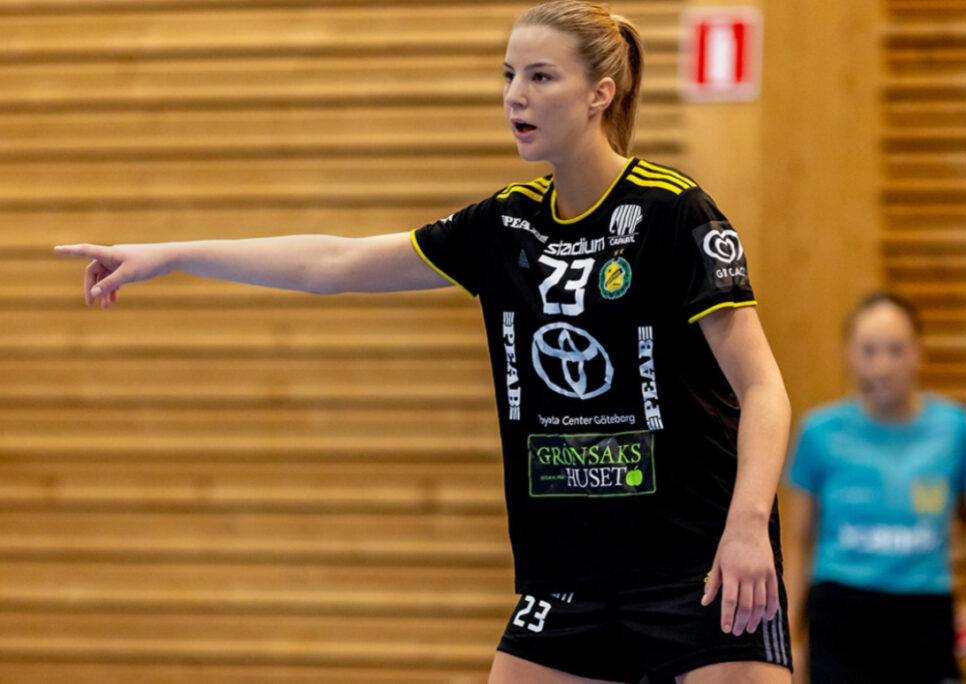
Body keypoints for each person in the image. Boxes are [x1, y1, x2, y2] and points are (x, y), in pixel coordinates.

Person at [55, 2, 793, 682]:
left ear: (600, 93)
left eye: (541, 77)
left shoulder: (673, 212)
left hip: (697, 562)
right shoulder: (502, 225)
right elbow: (333, 263)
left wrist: (747, 529)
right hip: (568, 573)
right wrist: (170, 254)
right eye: (508, 75)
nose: (515, 96)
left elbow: (762, 388)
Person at [785, 292, 966, 684]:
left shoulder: (955, 429)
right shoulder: (819, 433)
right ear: (849, 354)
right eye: (868, 350)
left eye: (896, 350)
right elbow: (798, 542)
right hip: (840, 617)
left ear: (919, 353)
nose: (881, 366)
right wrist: (788, 639)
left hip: (926, 617)